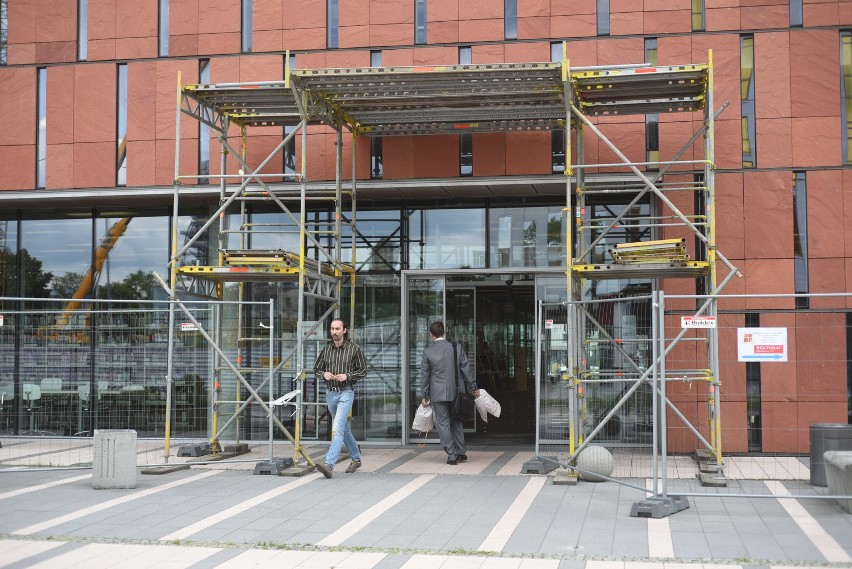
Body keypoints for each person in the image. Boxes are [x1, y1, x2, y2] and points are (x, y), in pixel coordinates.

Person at [313, 318, 367, 478]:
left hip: (346, 392)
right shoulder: (327, 350)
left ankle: (329, 464)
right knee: (343, 428)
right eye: (332, 329)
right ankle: (356, 459)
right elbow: (316, 369)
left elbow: (363, 370)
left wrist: (347, 376)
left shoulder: (354, 349)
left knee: (337, 428)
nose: (334, 332)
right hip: (331, 393)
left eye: (337, 329)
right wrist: (324, 374)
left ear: (344, 330)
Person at [419, 321, 479, 465]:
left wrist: (424, 395)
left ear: (431, 335)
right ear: (444, 332)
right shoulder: (456, 348)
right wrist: (472, 387)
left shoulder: (427, 351)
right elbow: (466, 369)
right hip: (456, 391)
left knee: (443, 423)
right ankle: (460, 451)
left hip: (437, 393)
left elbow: (425, 375)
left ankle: (451, 454)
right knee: (456, 420)